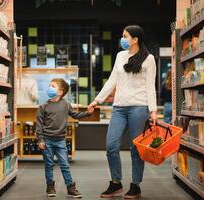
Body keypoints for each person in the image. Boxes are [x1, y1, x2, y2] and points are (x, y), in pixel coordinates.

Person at [88, 25, 157, 199]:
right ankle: (116, 183)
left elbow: (150, 87)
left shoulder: (148, 59)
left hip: (138, 108)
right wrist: (97, 100)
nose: (122, 39)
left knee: (136, 148)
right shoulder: (120, 56)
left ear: (135, 39)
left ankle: (135, 185)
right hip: (118, 107)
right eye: (122, 36)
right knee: (111, 146)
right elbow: (111, 81)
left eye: (125, 36)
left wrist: (153, 110)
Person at [36, 78, 94, 198]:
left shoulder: (65, 104)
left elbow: (75, 115)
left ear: (60, 92)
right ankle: (50, 186)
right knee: (49, 165)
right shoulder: (43, 107)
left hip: (60, 140)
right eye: (49, 85)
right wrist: (40, 139)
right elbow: (39, 125)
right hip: (47, 141)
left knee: (65, 164)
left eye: (52, 86)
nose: (49, 88)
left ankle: (70, 188)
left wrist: (87, 113)